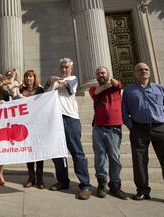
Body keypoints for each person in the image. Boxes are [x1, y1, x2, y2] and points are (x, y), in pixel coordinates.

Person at [122, 62, 164, 208]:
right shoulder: (129, 91)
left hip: (160, 129)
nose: (144, 71)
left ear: (149, 72)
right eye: (140, 70)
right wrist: (132, 127)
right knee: (139, 162)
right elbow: (124, 112)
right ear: (135, 73)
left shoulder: (160, 89)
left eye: (146, 69)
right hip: (139, 129)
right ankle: (143, 190)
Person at [45, 58, 92, 200]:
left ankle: (85, 185)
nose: (64, 69)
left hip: (70, 119)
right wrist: (48, 82)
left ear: (70, 68)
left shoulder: (73, 79)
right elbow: (45, 95)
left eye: (66, 67)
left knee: (76, 152)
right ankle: (63, 180)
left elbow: (64, 85)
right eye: (62, 67)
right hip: (55, 120)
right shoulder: (54, 82)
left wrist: (55, 82)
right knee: (57, 153)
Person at [88, 66, 128, 199]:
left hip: (114, 128)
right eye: (98, 73)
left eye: (103, 73)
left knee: (114, 158)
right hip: (98, 128)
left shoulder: (116, 86)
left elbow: (117, 84)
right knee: (100, 157)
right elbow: (97, 91)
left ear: (108, 74)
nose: (101, 75)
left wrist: (111, 82)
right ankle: (101, 184)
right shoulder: (93, 89)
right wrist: (107, 84)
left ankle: (115, 186)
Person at [19, 70, 45, 189]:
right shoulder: (21, 91)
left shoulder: (40, 90)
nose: (29, 78)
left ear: (34, 78)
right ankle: (31, 178)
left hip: (37, 125)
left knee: (38, 152)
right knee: (29, 151)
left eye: (31, 76)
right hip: (26, 125)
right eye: (27, 77)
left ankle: (40, 179)